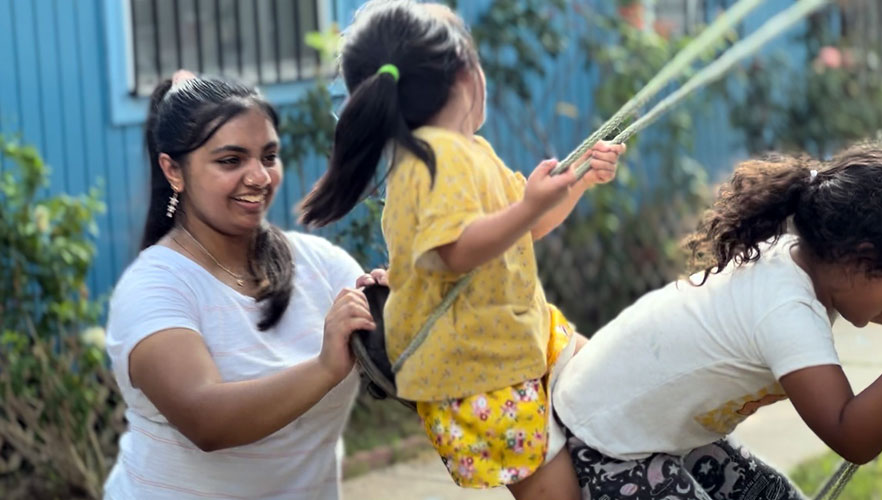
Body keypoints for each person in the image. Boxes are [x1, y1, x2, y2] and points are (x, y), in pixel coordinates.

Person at [298, 1, 624, 498]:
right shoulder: (430, 158)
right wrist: (529, 206)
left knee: (614, 380)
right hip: (481, 372)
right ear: (465, 75)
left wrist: (575, 184)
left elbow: (526, 228)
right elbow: (456, 250)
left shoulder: (466, 151)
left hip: (516, 340)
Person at [103, 72, 384, 500]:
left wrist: (394, 307)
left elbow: (402, 362)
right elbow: (207, 420)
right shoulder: (153, 287)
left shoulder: (321, 265)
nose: (259, 177)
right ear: (173, 171)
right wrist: (325, 367)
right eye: (231, 160)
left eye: (268, 156)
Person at [553, 144, 882, 499]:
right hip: (604, 443)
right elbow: (850, 436)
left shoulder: (805, 261)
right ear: (861, 261)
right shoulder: (787, 312)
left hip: (652, 426)